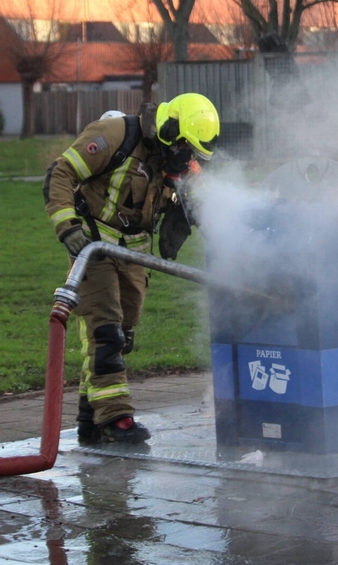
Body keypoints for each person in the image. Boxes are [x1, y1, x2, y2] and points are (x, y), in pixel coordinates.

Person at [43, 93, 220, 444]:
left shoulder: (177, 160)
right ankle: (116, 418)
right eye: (186, 151)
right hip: (95, 246)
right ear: (170, 131)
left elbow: (203, 205)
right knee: (104, 331)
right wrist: (68, 228)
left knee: (120, 339)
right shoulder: (114, 134)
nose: (188, 161)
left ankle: (90, 419)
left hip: (136, 256)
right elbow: (60, 174)